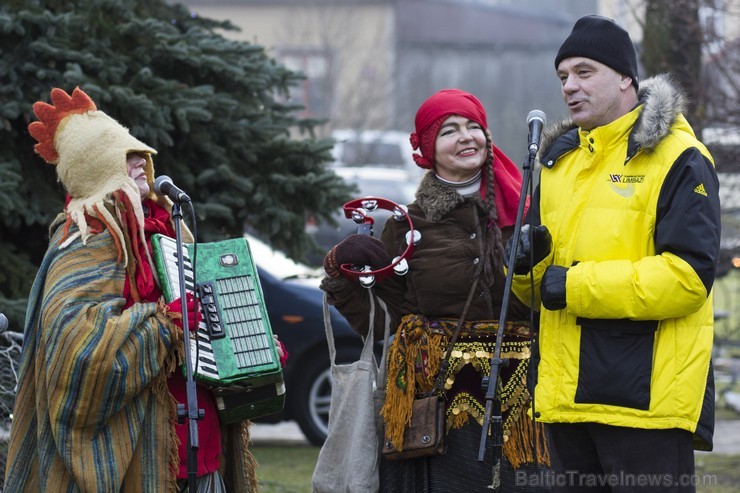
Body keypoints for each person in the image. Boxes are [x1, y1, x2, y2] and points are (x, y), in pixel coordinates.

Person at [4, 87, 285, 491]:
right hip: (142, 459)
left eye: (139, 154)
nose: (141, 160)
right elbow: (79, 353)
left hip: (203, 450)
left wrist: (249, 349)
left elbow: (203, 329)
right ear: (97, 168)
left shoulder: (168, 228)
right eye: (125, 155)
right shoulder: (85, 243)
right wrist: (166, 323)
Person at [506, 15, 721, 492]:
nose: (569, 86)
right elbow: (541, 290)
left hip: (645, 406)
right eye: (563, 76)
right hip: (565, 403)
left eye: (585, 72)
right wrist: (521, 268)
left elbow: (687, 278)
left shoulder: (678, 157)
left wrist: (575, 286)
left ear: (626, 77)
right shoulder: (558, 165)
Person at [320, 88, 551, 492]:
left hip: (520, 404)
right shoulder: (406, 226)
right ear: (428, 148)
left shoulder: (528, 214)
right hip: (434, 411)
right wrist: (342, 274)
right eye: (449, 130)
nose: (466, 137)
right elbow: (387, 321)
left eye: (473, 126)